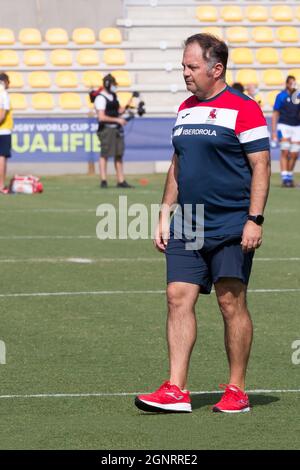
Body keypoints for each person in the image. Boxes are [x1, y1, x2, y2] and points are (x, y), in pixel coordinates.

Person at [135, 34, 270, 414]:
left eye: (192, 67)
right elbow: (178, 164)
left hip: (231, 221)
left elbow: (261, 166)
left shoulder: (244, 109)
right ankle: (176, 389)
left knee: (231, 302)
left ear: (217, 68)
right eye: (183, 66)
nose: (185, 74)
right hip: (188, 222)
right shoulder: (185, 109)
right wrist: (164, 214)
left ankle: (236, 390)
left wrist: (254, 219)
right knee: (177, 297)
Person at [94, 74, 134, 188]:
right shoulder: (100, 98)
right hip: (106, 129)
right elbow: (101, 117)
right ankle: (103, 180)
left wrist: (129, 104)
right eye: (113, 84)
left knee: (119, 154)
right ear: (108, 84)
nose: (114, 86)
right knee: (105, 154)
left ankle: (120, 180)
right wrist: (118, 120)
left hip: (116, 129)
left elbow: (118, 110)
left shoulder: (113, 96)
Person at [271, 75, 300, 188]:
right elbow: (275, 114)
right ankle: (285, 178)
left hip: (296, 127)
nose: (293, 85)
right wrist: (274, 131)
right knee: (285, 151)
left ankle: (289, 174)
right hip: (284, 126)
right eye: (291, 83)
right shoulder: (281, 96)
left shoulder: (298, 95)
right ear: (287, 84)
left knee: (294, 153)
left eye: (294, 83)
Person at [0, 72, 13, 194]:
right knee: (2, 157)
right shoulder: (3, 93)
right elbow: (3, 114)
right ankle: (1, 186)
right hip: (3, 131)